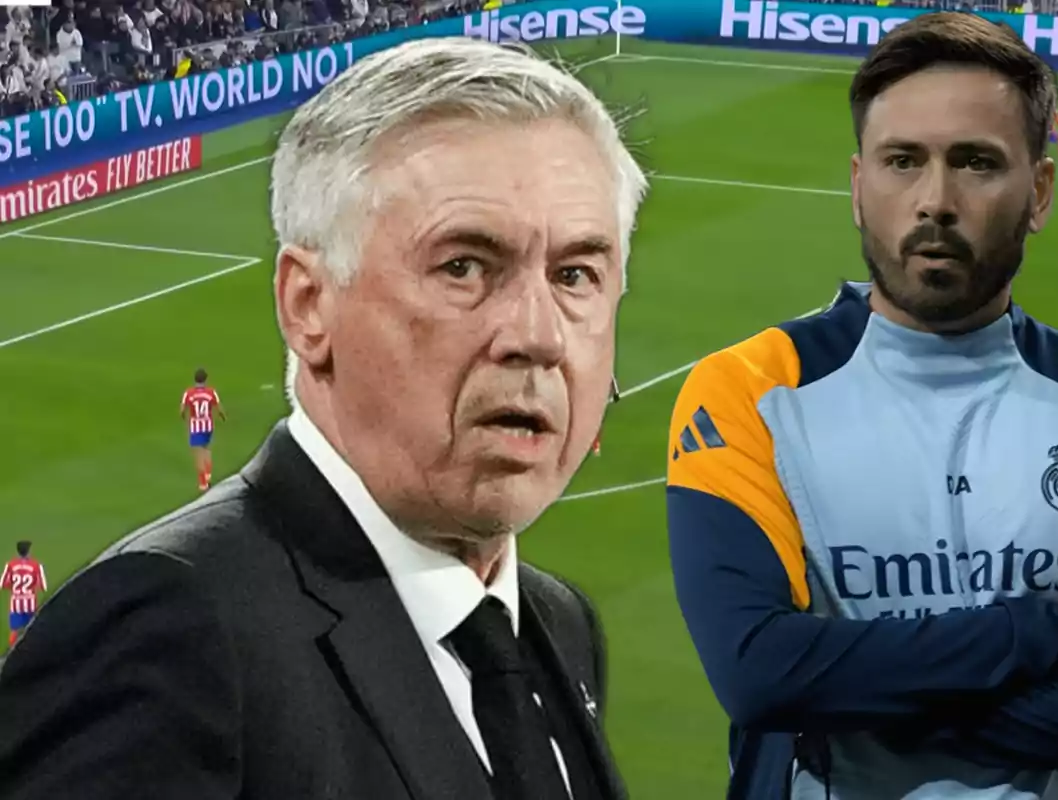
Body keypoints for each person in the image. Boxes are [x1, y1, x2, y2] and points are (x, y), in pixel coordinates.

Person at [0, 36, 647, 800]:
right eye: (464, 266)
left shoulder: (555, 625)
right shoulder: (174, 631)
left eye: (576, 274)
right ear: (308, 305)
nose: (537, 334)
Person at [667, 12, 1058, 800]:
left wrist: (854, 699)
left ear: (1042, 190)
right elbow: (762, 674)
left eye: (977, 163)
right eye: (902, 161)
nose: (934, 200)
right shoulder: (747, 392)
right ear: (858, 187)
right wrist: (1041, 634)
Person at [181, 367, 225, 491]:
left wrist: (184, 418)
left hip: (196, 427)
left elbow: (182, 409)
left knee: (198, 454)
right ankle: (208, 473)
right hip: (208, 425)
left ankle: (203, 482)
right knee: (206, 449)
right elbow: (219, 408)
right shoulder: (211, 392)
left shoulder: (189, 393)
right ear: (205, 380)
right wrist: (223, 417)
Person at [1, 542, 47, 650]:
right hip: (30, 604)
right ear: (29, 551)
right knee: (30, 630)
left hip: (16, 603)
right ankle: (31, 651)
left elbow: (2, 584)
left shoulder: (10, 565)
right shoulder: (36, 565)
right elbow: (43, 586)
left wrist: (14, 588)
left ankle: (11, 653)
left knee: (14, 631)